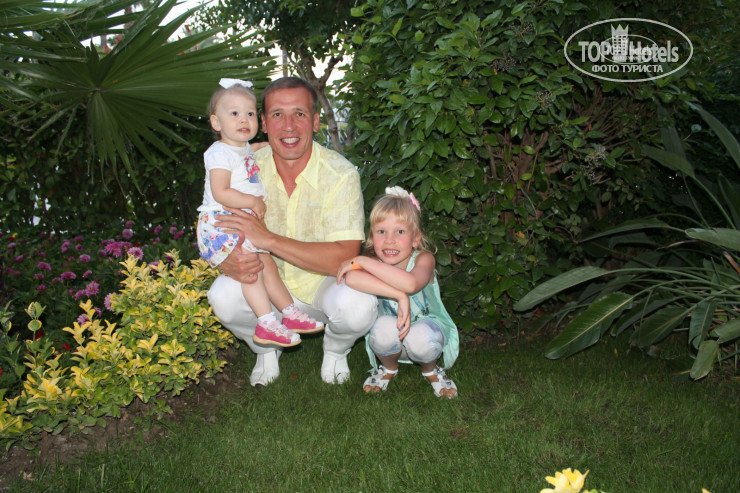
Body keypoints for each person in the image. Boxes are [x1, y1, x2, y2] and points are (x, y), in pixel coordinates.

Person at [206, 77, 378, 387]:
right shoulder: (241, 166)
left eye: (299, 113)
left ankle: (336, 350)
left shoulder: (340, 174)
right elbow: (214, 221)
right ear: (263, 123)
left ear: (315, 121)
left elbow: (344, 256)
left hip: (324, 286)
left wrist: (268, 240)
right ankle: (266, 348)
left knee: (359, 305)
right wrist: (226, 260)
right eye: (277, 114)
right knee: (222, 294)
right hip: (265, 286)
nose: (288, 126)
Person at [197, 78, 324, 349]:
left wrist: (264, 146)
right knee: (252, 269)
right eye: (234, 113)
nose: (244, 119)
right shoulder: (218, 153)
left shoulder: (241, 148)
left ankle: (289, 312)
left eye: (250, 114)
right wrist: (252, 201)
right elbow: (220, 191)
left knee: (267, 263)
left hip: (241, 220)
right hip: (224, 221)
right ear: (216, 122)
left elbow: (247, 154)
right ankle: (266, 321)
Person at [336, 187, 459, 398]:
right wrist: (399, 296)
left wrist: (362, 260)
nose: (389, 240)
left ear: (416, 238)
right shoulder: (375, 262)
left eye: (400, 232)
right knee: (382, 327)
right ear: (372, 237)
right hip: (391, 340)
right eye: (381, 232)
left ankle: (430, 369)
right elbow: (351, 278)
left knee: (420, 337)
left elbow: (410, 284)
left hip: (428, 337)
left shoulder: (424, 259)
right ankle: (388, 367)